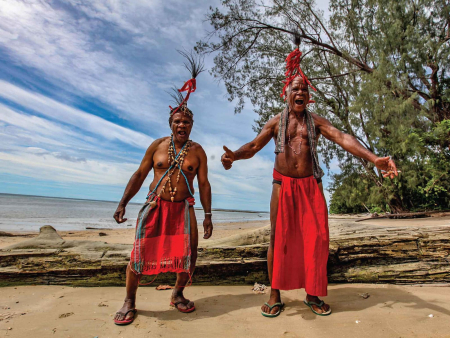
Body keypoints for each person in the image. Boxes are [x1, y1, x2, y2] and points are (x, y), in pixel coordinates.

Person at [221, 41, 398, 318]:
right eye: (296, 88)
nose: (301, 91)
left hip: (310, 185)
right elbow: (254, 146)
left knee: (316, 240)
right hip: (282, 185)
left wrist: (374, 158)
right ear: (287, 93)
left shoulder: (315, 121)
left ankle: (312, 294)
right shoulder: (276, 122)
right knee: (278, 240)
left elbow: (342, 138)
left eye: (305, 88)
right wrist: (234, 156)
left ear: (308, 95)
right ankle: (275, 293)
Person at [113, 52, 213, 325]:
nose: (182, 124)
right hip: (155, 206)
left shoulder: (198, 152)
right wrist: (122, 203)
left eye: (187, 122)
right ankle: (130, 300)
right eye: (177, 121)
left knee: (189, 255)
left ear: (192, 126)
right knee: (139, 253)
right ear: (171, 125)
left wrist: (208, 215)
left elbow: (203, 184)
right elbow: (139, 174)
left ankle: (178, 294)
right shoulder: (157, 146)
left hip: (184, 209)